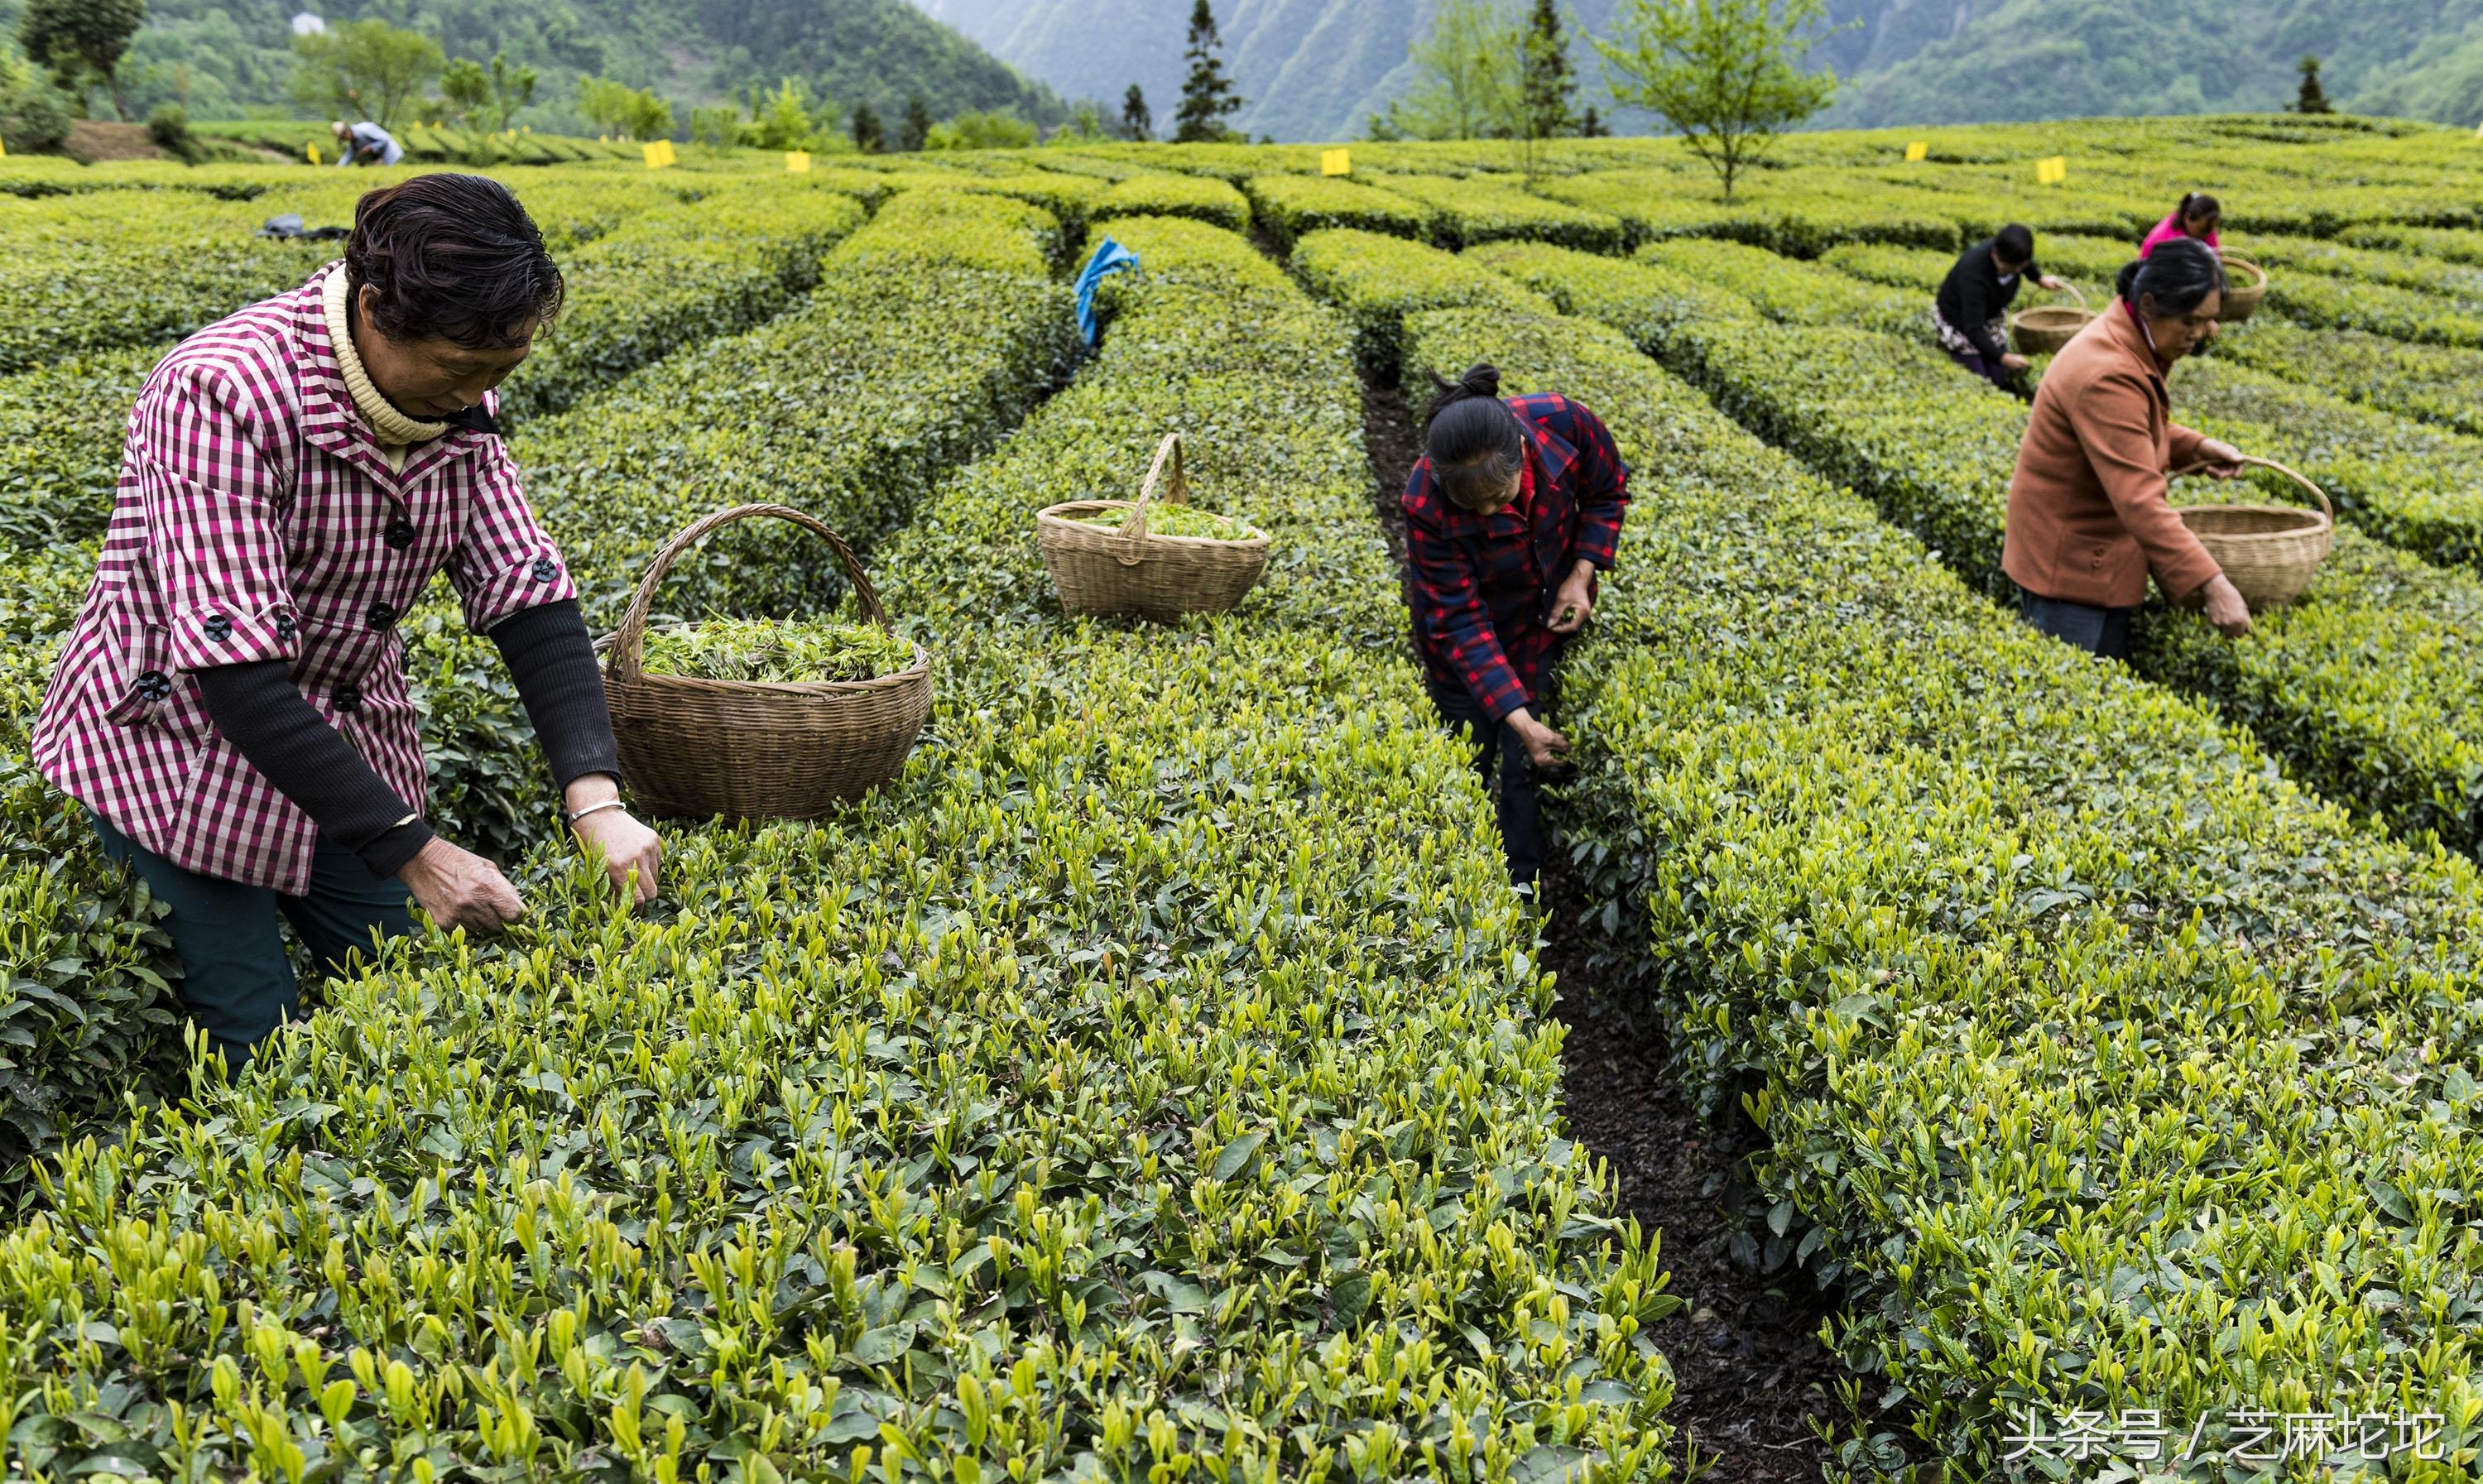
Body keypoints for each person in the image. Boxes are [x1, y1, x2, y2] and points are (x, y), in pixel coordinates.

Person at [30, 174, 662, 1077]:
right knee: (264, 1035)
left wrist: (593, 799)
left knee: (406, 988)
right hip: (179, 750)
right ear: (373, 309)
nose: (479, 395)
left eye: (501, 372)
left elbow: (527, 591)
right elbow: (235, 674)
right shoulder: (219, 393)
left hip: (338, 741)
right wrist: (417, 850)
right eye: (459, 369)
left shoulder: (455, 402)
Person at [1403, 364, 1628, 889]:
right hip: (1466, 646)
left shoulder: (1565, 423)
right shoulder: (1423, 500)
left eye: (1498, 499)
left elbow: (1607, 493)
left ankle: (1520, 887)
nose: (1486, 512)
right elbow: (1459, 619)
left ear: (1524, 457)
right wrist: (1518, 719)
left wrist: (1580, 575)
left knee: (1519, 767)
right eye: (1471, 505)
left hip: (1541, 618)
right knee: (1469, 756)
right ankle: (1465, 890)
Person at [2003, 238, 2253, 660]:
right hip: (2071, 571)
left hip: (2097, 556)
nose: (2202, 334)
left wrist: (2197, 447)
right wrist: (2213, 583)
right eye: (2191, 320)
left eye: (2209, 321)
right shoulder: (2107, 372)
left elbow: (2133, 434)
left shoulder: (2127, 339)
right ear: (2151, 304)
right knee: (2077, 702)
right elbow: (2139, 499)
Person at [1933, 223, 2071, 384]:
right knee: (1980, 378)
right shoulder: (1973, 276)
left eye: (2021, 267)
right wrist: (2004, 357)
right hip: (1959, 321)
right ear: (1995, 256)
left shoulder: (2011, 253)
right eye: (2013, 267)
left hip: (1991, 315)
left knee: (1998, 377)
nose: (2017, 271)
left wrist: (2039, 279)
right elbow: (1974, 329)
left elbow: (2025, 262)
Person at [2139, 191, 2220, 258]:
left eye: (2210, 230)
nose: (2206, 235)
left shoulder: (2206, 226)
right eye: (2201, 230)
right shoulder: (2167, 240)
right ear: (2187, 218)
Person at [332, 119, 403, 167]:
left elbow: (385, 139)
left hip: (392, 155)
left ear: (346, 132)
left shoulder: (364, 129)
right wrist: (338, 168)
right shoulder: (353, 142)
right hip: (382, 159)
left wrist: (371, 147)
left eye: (343, 138)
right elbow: (348, 156)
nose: (344, 140)